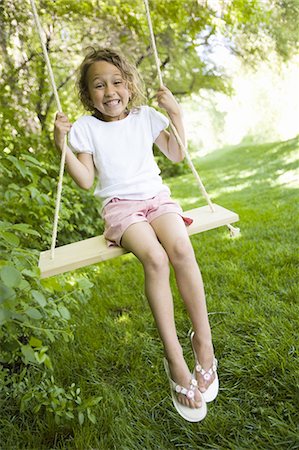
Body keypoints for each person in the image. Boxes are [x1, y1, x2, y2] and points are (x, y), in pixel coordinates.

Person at [54, 47, 218, 422]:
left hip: (157, 198)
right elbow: (84, 180)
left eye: (116, 82)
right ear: (88, 93)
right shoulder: (85, 129)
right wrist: (61, 145)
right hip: (120, 208)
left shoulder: (146, 117)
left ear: (129, 85)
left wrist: (175, 113)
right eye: (99, 85)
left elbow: (176, 154)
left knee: (180, 247)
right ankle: (175, 359)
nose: (109, 91)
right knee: (156, 259)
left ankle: (203, 345)